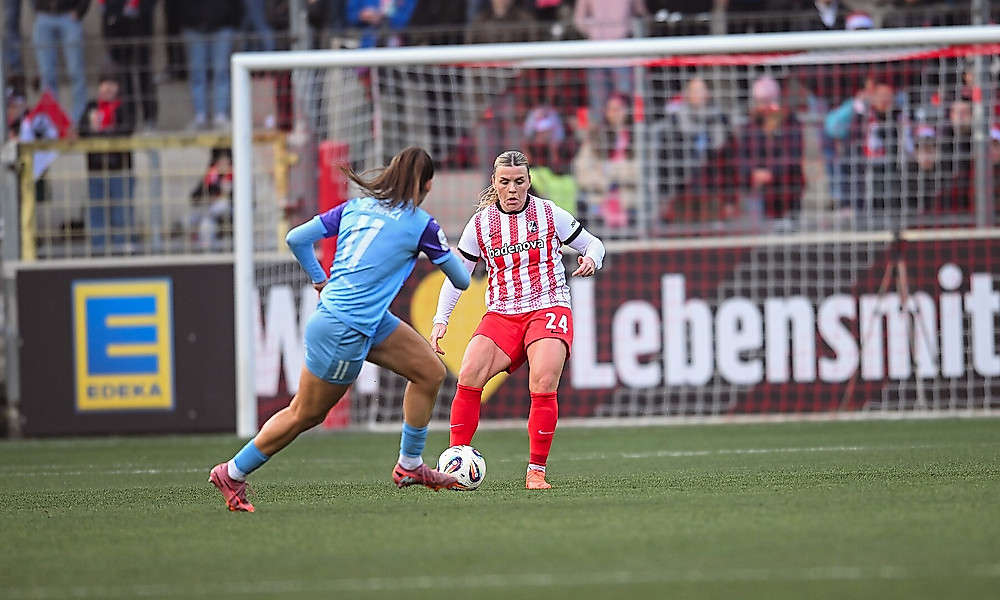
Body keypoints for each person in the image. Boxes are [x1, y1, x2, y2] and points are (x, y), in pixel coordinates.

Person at [209, 147, 471, 512]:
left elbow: (297, 238)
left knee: (430, 372)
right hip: (344, 328)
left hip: (363, 319)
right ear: (427, 185)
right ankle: (232, 472)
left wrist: (319, 279)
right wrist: (443, 248)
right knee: (306, 413)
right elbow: (461, 279)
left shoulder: (355, 207)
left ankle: (410, 464)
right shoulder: (421, 225)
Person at [429, 149, 606, 490]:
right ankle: (455, 463)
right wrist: (441, 319)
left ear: (528, 182)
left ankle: (536, 471)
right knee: (469, 373)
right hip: (502, 313)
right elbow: (457, 275)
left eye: (519, 181)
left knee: (543, 381)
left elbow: (593, 244)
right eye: (505, 182)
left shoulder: (549, 213)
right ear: (494, 182)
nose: (512, 189)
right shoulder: (480, 224)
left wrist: (592, 259)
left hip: (548, 305)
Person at [77, 69, 135, 254]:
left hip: (119, 168)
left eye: (113, 83)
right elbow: (81, 130)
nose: (108, 88)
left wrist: (101, 133)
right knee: (97, 211)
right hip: (96, 168)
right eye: (105, 83)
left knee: (122, 211)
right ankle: (98, 247)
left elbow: (127, 129)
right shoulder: (91, 106)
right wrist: (97, 131)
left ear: (119, 87)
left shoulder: (124, 106)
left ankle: (123, 245)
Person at [179, 0, 241, 130]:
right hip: (193, 26)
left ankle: (221, 115)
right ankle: (200, 116)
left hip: (223, 25)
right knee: (197, 74)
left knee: (221, 72)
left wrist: (233, 19)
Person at [100, 0, 159, 131]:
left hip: (140, 21)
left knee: (144, 71)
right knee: (121, 75)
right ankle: (128, 118)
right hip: (115, 21)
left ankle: (149, 118)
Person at [31, 0, 91, 126]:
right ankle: (52, 120)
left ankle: (79, 121)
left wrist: (80, 10)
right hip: (44, 15)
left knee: (76, 72)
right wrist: (37, 8)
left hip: (69, 14)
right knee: (47, 75)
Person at [189, 146, 233, 251]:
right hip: (211, 215)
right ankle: (207, 251)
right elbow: (194, 198)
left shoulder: (236, 175)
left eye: (226, 160)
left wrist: (228, 191)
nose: (223, 163)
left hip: (231, 214)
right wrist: (209, 188)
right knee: (206, 223)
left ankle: (188, 223)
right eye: (220, 160)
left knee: (223, 204)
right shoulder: (211, 176)